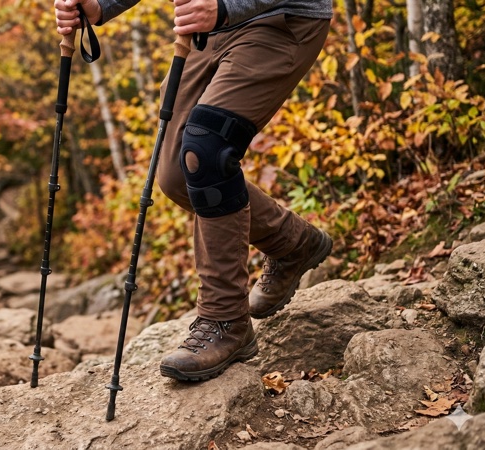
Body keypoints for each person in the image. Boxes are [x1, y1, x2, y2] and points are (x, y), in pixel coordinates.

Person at [55, 0, 334, 381]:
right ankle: (292, 241)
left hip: (277, 18)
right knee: (174, 174)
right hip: (206, 31)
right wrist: (100, 6)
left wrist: (225, 7)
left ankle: (225, 321)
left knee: (207, 149)